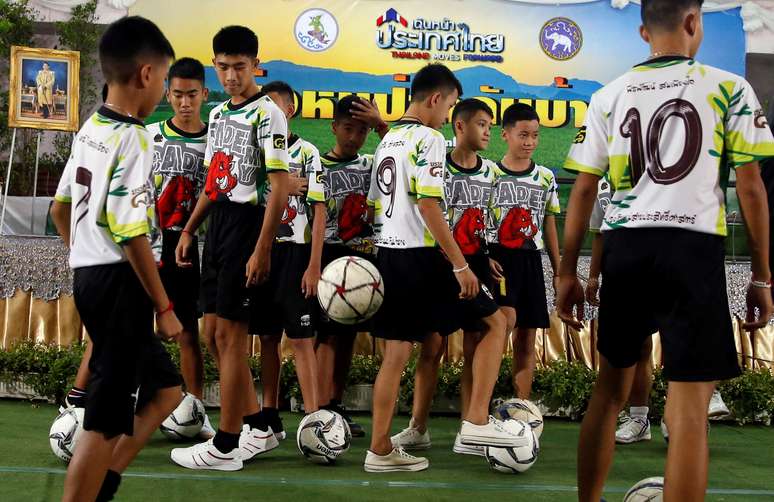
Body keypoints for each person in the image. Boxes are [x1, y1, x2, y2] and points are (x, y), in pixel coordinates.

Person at [556, 1, 774, 500]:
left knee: (608, 392)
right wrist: (761, 277)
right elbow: (752, 187)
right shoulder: (729, 87)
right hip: (691, 248)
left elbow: (584, 191)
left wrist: (567, 271)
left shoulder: (608, 95)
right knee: (689, 408)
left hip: (627, 247)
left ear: (642, 30)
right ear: (694, 22)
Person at [50, 16, 182, 502]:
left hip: (93, 279)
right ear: (146, 74)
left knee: (168, 391)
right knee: (105, 420)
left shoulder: (92, 126)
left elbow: (59, 209)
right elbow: (131, 233)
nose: (165, 89)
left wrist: (84, 254)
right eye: (165, 78)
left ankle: (103, 485)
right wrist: (164, 308)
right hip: (120, 285)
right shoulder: (134, 137)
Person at [365, 63, 519, 473]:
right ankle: (476, 422)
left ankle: (380, 448)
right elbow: (429, 204)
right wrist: (459, 265)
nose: (447, 114)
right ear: (436, 100)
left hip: (390, 254)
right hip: (422, 257)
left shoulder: (389, 139)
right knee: (496, 323)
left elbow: (374, 206)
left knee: (396, 356)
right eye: (449, 105)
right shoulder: (428, 138)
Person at [171, 25, 289, 471]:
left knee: (230, 337)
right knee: (211, 334)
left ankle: (225, 444)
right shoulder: (219, 115)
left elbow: (278, 189)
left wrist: (263, 249)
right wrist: (188, 228)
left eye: (241, 67)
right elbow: (214, 181)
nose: (232, 75)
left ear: (255, 65)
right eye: (224, 67)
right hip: (217, 226)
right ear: (215, 66)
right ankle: (259, 422)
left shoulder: (269, 114)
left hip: (247, 227)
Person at [390, 98, 497, 456]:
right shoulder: (437, 162)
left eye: (490, 125)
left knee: (487, 331)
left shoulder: (491, 172)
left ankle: (473, 423)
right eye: (481, 124)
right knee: (432, 348)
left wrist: (487, 256)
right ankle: (418, 428)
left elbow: (486, 221)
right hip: (442, 264)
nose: (487, 131)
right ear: (459, 126)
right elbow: (423, 202)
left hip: (474, 265)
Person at [250, 80, 326, 438]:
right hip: (262, 252)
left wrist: (314, 265)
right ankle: (270, 413)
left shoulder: (308, 152)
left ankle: (315, 417)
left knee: (301, 338)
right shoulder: (254, 148)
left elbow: (319, 211)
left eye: (274, 106)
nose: (267, 113)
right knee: (266, 336)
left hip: (296, 253)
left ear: (290, 111)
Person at [146, 57, 215, 439]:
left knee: (188, 331)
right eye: (177, 95)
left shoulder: (213, 141)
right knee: (141, 327)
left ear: (204, 94)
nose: (185, 102)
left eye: (192, 94)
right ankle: (142, 404)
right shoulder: (151, 135)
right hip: (152, 242)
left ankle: (195, 409)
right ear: (167, 94)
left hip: (191, 244)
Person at [315, 94, 389, 438]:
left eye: (361, 131)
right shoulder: (315, 166)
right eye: (348, 129)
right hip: (327, 257)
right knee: (326, 336)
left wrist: (380, 125)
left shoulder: (371, 164)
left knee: (345, 337)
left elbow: (401, 156)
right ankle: (320, 410)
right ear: (334, 127)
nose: (354, 137)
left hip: (362, 261)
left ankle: (335, 403)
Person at [489, 103, 561, 400]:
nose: (529, 142)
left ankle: (522, 406)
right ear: (505, 134)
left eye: (534, 135)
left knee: (527, 336)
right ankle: (483, 401)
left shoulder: (545, 177)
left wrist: (559, 271)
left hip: (531, 259)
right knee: (500, 327)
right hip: (499, 260)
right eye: (523, 135)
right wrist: (485, 256)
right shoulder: (490, 174)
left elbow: (550, 223)